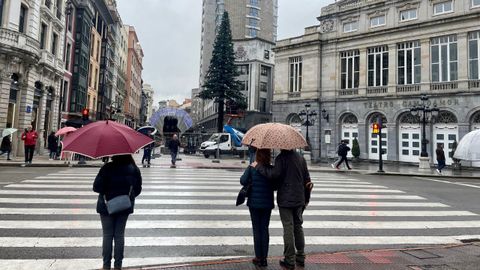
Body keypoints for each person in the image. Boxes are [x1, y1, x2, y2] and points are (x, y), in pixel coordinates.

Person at [253, 149, 312, 270]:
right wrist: (306, 198)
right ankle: (300, 256)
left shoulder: (281, 158)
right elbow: (307, 179)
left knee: (288, 227)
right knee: (298, 226)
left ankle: (289, 260)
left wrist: (259, 167)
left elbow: (273, 175)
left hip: (286, 199)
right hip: (299, 198)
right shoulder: (301, 158)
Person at [93, 155, 142, 270]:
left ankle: (106, 265)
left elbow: (96, 187)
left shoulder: (107, 168)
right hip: (124, 206)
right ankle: (118, 266)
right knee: (119, 235)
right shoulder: (134, 169)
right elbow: (138, 190)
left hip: (106, 206)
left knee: (107, 235)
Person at [241, 149, 274, 267]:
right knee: (264, 229)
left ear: (258, 155)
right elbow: (275, 186)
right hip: (267, 204)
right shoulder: (270, 168)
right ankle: (264, 258)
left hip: (254, 203)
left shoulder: (253, 166)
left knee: (256, 229)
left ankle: (258, 257)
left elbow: (243, 180)